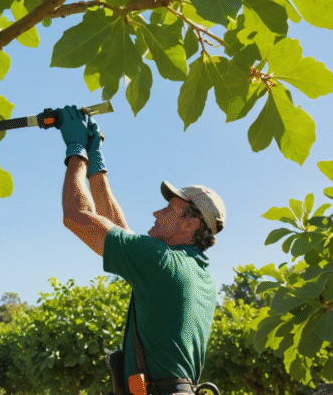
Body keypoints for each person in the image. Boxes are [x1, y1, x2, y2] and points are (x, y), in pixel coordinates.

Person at [57, 106, 226, 395]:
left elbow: (77, 216)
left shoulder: (161, 262)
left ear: (190, 224)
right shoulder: (195, 271)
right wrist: (96, 162)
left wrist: (76, 151)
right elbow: (119, 232)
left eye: (169, 209)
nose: (157, 213)